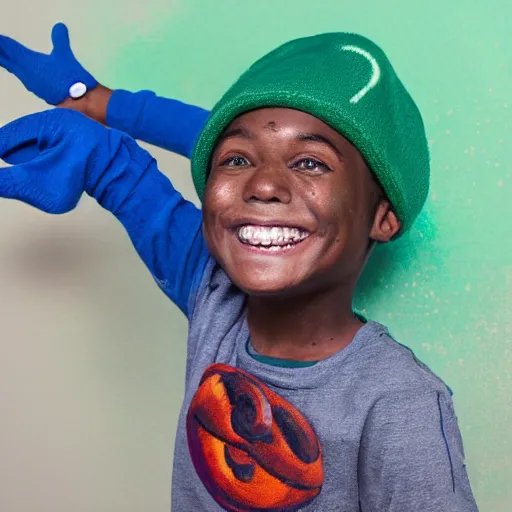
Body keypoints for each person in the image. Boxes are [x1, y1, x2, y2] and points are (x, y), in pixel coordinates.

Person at [0, 24, 478, 512]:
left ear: (382, 215)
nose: (264, 185)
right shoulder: (216, 301)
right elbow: (139, 171)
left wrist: (108, 109)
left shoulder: (401, 404)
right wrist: (94, 113)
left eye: (311, 164)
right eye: (237, 160)